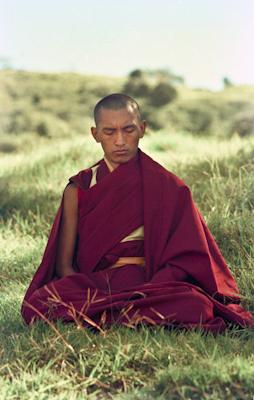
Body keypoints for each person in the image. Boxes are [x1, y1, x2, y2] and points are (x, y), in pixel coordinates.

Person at [21, 93, 254, 333]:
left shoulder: (168, 186)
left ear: (142, 129)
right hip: (96, 285)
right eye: (109, 132)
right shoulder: (78, 189)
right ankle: (127, 314)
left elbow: (188, 258)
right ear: (95, 134)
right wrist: (91, 293)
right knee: (39, 303)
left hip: (150, 284)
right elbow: (64, 266)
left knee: (197, 305)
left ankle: (105, 316)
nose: (120, 140)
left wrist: (150, 288)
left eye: (129, 130)